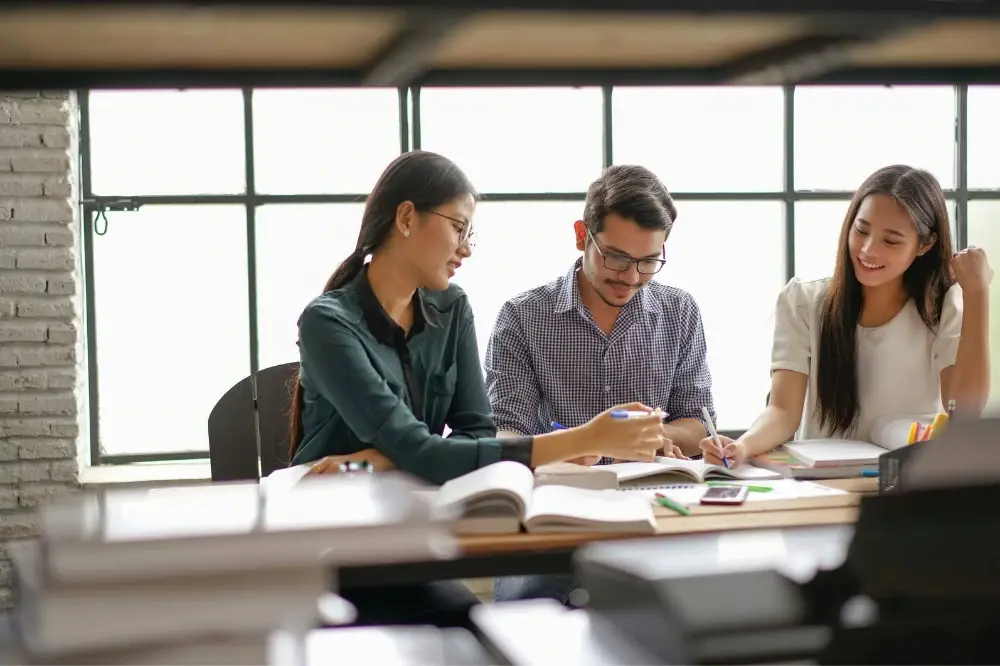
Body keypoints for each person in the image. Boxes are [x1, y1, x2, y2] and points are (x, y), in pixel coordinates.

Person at [287, 150, 667, 629]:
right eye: (458, 228)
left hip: (409, 533)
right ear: (406, 218)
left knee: (486, 629)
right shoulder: (327, 322)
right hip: (329, 545)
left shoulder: (451, 309)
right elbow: (422, 451)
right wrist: (583, 439)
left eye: (471, 234)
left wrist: (382, 458)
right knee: (479, 631)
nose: (466, 248)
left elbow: (474, 432)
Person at [484, 164, 716, 604]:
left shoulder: (680, 312)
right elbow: (503, 435)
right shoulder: (522, 317)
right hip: (552, 517)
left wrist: (652, 436)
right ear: (581, 235)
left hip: (653, 513)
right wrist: (575, 444)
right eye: (616, 257)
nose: (630, 277)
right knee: (530, 604)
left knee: (704, 601)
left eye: (648, 262)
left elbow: (698, 421)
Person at [701, 164, 992, 467]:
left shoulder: (942, 307)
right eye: (861, 230)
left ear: (924, 244)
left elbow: (964, 410)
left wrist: (977, 293)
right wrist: (742, 446)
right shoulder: (803, 302)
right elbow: (783, 412)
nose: (867, 250)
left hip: (905, 481)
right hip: (822, 482)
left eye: (891, 240)